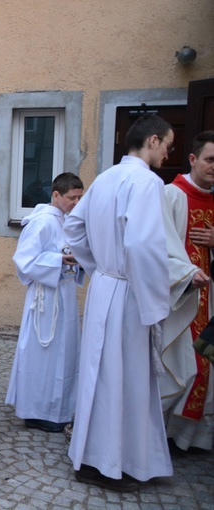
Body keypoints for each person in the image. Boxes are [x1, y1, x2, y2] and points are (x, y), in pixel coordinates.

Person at [63, 114, 177, 492]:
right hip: (129, 291)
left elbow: (74, 227)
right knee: (125, 378)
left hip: (105, 288)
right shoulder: (146, 181)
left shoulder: (107, 177)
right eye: (168, 145)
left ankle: (91, 458)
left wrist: (100, 268)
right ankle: (118, 463)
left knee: (100, 374)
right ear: (153, 140)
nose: (168, 153)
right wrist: (155, 301)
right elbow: (143, 246)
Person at [5, 172, 84, 433]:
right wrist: (58, 261)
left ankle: (59, 409)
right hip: (45, 299)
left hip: (64, 293)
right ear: (56, 195)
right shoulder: (41, 223)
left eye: (79, 197)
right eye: (72, 197)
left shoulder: (66, 220)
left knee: (65, 354)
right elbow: (24, 260)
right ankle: (36, 411)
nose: (76, 202)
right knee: (43, 356)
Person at [161, 130, 214, 451]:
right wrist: (184, 274)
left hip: (210, 300)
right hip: (180, 298)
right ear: (193, 159)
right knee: (181, 365)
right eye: (210, 159)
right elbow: (158, 247)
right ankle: (166, 435)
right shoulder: (171, 195)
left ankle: (193, 438)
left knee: (206, 366)